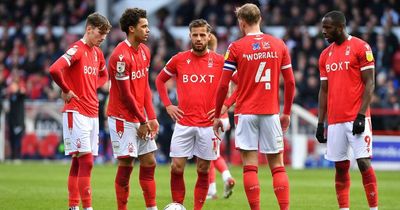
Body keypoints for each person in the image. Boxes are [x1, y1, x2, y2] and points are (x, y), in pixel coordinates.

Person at [213, 3, 295, 210]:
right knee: (277, 166)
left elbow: (224, 84)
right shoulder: (279, 44)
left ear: (241, 23)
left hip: (246, 113)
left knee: (250, 167)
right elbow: (291, 82)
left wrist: (217, 113)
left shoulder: (236, 47)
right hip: (271, 112)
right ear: (260, 19)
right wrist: (286, 113)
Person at [155, 19, 223, 210]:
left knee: (203, 169)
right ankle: (178, 206)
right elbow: (160, 81)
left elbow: (239, 84)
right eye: (195, 35)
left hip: (208, 125)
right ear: (190, 36)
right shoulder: (179, 59)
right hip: (184, 123)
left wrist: (224, 107)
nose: (199, 38)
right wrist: (168, 105)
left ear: (209, 36)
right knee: (176, 167)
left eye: (203, 35)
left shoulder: (219, 61)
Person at [316, 10, 378, 210]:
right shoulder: (325, 55)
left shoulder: (361, 47)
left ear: (340, 27)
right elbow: (323, 91)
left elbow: (370, 84)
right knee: (340, 167)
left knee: (363, 162)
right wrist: (320, 122)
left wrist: (361, 115)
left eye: (328, 28)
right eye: (323, 28)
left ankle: (373, 208)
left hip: (356, 117)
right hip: (334, 121)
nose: (324, 32)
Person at [49, 12, 111, 210]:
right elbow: (54, 69)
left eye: (105, 35)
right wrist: (66, 89)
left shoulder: (98, 53)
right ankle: (88, 207)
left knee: (79, 161)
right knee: (87, 161)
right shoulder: (76, 49)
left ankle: (73, 206)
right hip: (76, 111)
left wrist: (90, 86)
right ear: (89, 29)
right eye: (100, 33)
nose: (103, 38)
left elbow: (104, 76)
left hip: (93, 112)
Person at [107, 8, 159, 210]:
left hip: (140, 116)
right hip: (123, 117)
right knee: (127, 165)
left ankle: (151, 207)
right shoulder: (120, 57)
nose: (148, 30)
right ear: (131, 29)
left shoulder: (145, 51)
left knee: (149, 162)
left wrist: (151, 116)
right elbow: (126, 94)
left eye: (147, 26)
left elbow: (145, 86)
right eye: (144, 26)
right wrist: (141, 121)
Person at [206, 32, 236, 200]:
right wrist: (229, 104)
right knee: (214, 154)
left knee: (208, 155)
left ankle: (212, 190)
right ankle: (226, 178)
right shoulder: (224, 64)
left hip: (212, 117)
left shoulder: (206, 64)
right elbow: (236, 83)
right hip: (225, 117)